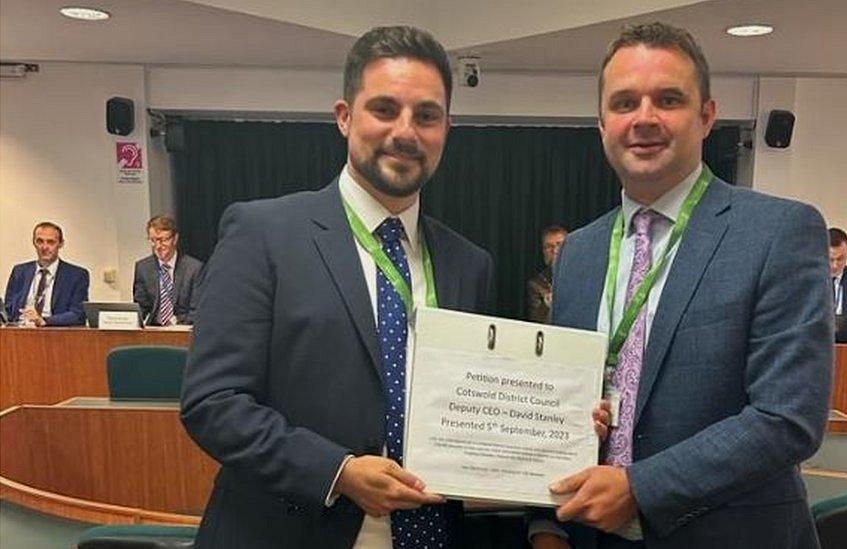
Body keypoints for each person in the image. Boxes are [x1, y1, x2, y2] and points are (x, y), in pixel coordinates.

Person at [180, 26, 493, 549]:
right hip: (287, 530)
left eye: (427, 115)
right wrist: (338, 471)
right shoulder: (263, 233)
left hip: (431, 534)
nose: (406, 131)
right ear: (345, 117)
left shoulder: (469, 263)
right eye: (385, 109)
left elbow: (474, 403)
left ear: (446, 128)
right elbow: (213, 402)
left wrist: (560, 425)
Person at [530, 22, 833, 549]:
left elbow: (788, 417)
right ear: (602, 123)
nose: (644, 118)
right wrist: (547, 524)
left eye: (668, 99)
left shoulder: (779, 232)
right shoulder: (578, 252)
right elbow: (565, 401)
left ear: (706, 115)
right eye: (624, 103)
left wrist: (640, 487)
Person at [4, 221, 89, 327]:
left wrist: (44, 321)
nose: (44, 247)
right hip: (20, 331)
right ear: (34, 242)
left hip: (55, 333)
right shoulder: (19, 272)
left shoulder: (76, 275)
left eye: (51, 242)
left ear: (61, 244)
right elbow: (7, 309)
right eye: (40, 241)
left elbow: (78, 314)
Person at [132, 215, 203, 326]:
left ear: (174, 239)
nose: (158, 246)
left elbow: (197, 310)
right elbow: (140, 308)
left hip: (182, 329)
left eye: (163, 240)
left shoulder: (194, 269)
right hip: (154, 331)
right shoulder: (143, 268)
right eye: (153, 240)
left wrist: (177, 323)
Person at [527, 225, 567, 323]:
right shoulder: (536, 284)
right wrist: (546, 304)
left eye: (559, 245)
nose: (555, 251)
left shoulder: (582, 277)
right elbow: (536, 321)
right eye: (549, 247)